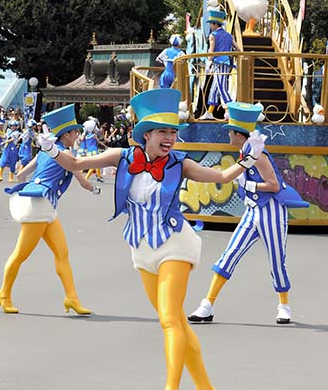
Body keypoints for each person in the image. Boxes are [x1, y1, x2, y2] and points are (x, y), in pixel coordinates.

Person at [36, 88, 265, 390]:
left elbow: (222, 178)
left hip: (174, 244)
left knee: (170, 319)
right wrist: (51, 149)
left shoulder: (180, 163)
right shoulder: (122, 156)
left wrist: (249, 160)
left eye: (173, 131)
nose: (169, 137)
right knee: (178, 323)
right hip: (141, 248)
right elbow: (77, 164)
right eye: (162, 131)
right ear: (146, 134)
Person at [188, 102, 308, 325]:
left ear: (237, 134)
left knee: (276, 260)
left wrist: (248, 187)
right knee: (230, 254)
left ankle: (284, 305)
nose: (228, 135)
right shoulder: (246, 152)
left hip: (271, 211)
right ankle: (207, 304)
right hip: (252, 212)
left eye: (230, 131)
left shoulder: (257, 155)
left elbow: (273, 185)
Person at [0, 105, 100, 315]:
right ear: (66, 135)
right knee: (20, 255)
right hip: (40, 207)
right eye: (75, 132)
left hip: (44, 205)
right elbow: (83, 181)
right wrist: (95, 189)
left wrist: (32, 185)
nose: (77, 135)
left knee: (62, 253)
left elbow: (21, 174)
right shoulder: (65, 154)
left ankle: (72, 298)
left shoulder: (45, 151)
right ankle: (4, 294)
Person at [200, 9, 239, 120]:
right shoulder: (229, 35)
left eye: (211, 24)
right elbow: (238, 49)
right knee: (215, 87)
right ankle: (210, 112)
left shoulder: (213, 35)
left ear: (215, 24)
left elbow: (211, 50)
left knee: (221, 87)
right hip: (226, 63)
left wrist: (208, 62)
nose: (210, 26)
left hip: (218, 63)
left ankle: (230, 110)